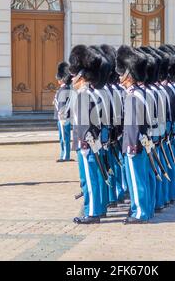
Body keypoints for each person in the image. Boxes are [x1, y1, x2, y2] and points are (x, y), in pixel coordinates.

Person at [69, 45, 108, 224]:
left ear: (81, 76)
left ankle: (92, 212)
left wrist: (83, 143)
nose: (72, 78)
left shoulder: (84, 95)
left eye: (74, 74)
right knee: (95, 176)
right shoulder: (90, 93)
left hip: (87, 143)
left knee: (91, 180)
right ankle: (97, 208)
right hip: (93, 142)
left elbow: (84, 123)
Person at [116, 45, 152, 224]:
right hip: (139, 141)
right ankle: (143, 209)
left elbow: (133, 125)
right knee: (140, 178)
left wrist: (130, 145)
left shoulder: (133, 96)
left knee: (136, 181)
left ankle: (140, 213)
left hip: (134, 143)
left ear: (129, 75)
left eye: (122, 73)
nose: (119, 77)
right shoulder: (140, 93)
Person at [54, 61, 74, 162]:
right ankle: (64, 154)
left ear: (62, 79)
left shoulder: (64, 90)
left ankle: (65, 156)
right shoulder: (63, 89)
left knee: (64, 138)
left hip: (63, 117)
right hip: (62, 117)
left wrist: (62, 115)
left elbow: (64, 105)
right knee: (63, 137)